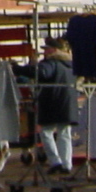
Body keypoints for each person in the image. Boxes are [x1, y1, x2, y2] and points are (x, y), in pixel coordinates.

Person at [14, 38, 78, 174]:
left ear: (54, 50)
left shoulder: (51, 63)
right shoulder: (71, 64)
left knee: (45, 132)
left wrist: (17, 69)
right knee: (64, 134)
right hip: (68, 103)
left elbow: (42, 73)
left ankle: (55, 162)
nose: (45, 52)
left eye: (47, 49)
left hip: (51, 102)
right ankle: (67, 164)